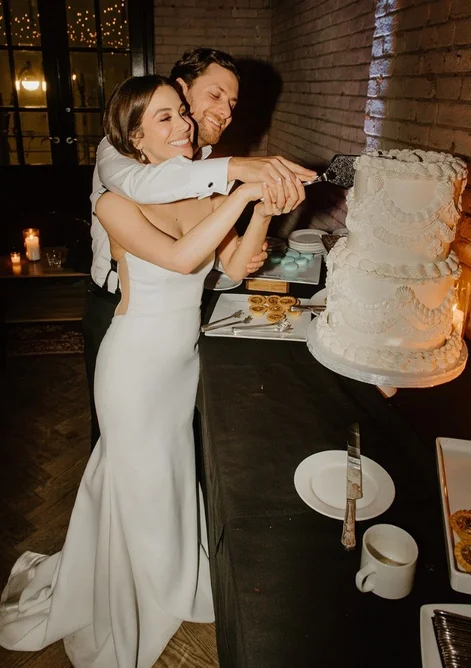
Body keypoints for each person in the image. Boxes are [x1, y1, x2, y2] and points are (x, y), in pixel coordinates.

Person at [0, 75, 281, 667]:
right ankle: (142, 594)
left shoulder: (200, 194)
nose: (184, 125)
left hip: (180, 365)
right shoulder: (114, 200)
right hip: (133, 367)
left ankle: (168, 576)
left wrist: (264, 209)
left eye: (182, 113)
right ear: (136, 142)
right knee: (141, 481)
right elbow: (181, 260)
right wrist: (242, 187)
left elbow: (231, 267)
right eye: (164, 120)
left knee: (167, 477)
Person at [82, 48, 316, 448]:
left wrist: (262, 211)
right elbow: (148, 191)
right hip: (117, 311)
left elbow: (234, 260)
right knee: (118, 445)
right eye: (215, 95)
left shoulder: (202, 165)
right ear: (181, 89)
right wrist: (241, 177)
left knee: (177, 449)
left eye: (232, 102)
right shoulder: (116, 154)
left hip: (182, 344)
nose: (225, 110)